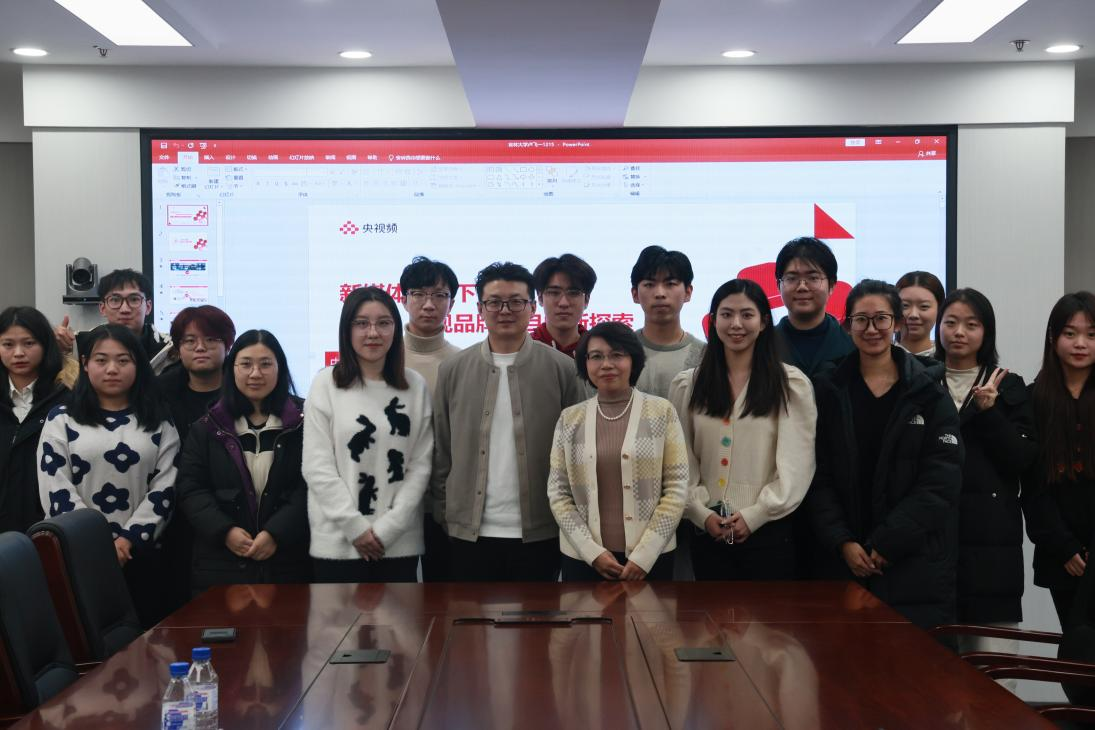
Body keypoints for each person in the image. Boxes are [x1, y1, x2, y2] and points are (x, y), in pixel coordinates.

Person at [805, 280, 962, 630]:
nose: (872, 329)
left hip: (913, 561)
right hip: (841, 559)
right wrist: (843, 541)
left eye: (881, 319)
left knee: (910, 662)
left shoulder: (929, 391)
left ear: (898, 324)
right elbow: (816, 472)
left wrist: (888, 543)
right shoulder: (827, 388)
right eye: (861, 319)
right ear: (847, 326)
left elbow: (941, 479)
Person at [432, 262, 583, 582]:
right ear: (479, 308)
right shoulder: (453, 369)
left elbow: (577, 452)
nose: (504, 310)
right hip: (467, 532)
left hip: (541, 529)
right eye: (494, 302)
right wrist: (445, 511)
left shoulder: (562, 369)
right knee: (467, 614)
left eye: (516, 301)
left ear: (532, 307)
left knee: (538, 614)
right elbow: (442, 451)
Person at [669, 279, 817, 580]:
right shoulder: (688, 385)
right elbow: (680, 460)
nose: (736, 324)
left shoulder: (790, 384)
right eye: (726, 314)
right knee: (709, 611)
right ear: (714, 321)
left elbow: (797, 465)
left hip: (768, 531)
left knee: (766, 611)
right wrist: (700, 513)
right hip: (707, 531)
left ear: (763, 322)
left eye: (747, 315)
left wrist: (756, 515)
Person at [37, 324, 179, 626]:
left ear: (138, 366)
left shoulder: (159, 421)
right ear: (85, 364)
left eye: (123, 360)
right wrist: (97, 543)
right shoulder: (61, 419)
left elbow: (165, 487)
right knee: (87, 645)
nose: (112, 369)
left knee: (148, 643)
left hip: (142, 556)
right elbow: (55, 487)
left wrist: (127, 541)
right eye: (101, 360)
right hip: (79, 556)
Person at [934, 288, 1037, 672]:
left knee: (994, 666)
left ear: (986, 332)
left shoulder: (1008, 385)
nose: (959, 332)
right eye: (951, 322)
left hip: (992, 544)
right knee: (934, 670)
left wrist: (990, 412)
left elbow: (1022, 459)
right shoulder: (921, 380)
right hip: (934, 539)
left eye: (971, 324)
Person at [304, 287, 433, 583]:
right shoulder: (325, 384)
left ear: (395, 329)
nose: (373, 333)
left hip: (398, 543)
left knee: (400, 615)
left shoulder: (415, 386)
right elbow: (316, 466)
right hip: (338, 543)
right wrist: (355, 528)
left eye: (384, 323)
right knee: (335, 616)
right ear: (346, 330)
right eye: (361, 323)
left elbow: (420, 465)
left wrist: (388, 529)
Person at [548, 322, 687, 581]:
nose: (606, 364)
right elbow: (558, 493)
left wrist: (645, 555)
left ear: (633, 360)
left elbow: (677, 488)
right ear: (584, 363)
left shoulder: (662, 412)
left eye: (617, 355)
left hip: (652, 560)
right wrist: (591, 552)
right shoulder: (570, 419)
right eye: (596, 356)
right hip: (583, 560)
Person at [177, 330, 310, 592]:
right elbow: (190, 488)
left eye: (266, 364)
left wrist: (276, 533)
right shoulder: (207, 426)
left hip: (289, 559)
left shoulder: (304, 422)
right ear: (232, 369)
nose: (255, 373)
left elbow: (311, 485)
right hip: (221, 563)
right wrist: (225, 531)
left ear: (280, 368)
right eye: (246, 364)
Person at [1023, 291, 1095, 630]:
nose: (1080, 343)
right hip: (1061, 554)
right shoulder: (1034, 399)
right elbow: (1033, 487)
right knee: (1077, 649)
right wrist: (1064, 547)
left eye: (1091, 335)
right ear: (1053, 338)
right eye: (1070, 333)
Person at [398, 256, 461, 582]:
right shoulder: (382, 357)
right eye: (419, 294)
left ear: (452, 302)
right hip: (392, 499)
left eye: (439, 295)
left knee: (444, 592)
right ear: (403, 298)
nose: (428, 304)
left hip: (443, 501)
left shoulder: (462, 362)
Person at [0, 307, 77, 533]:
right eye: (8, 344)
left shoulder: (67, 397)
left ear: (46, 345)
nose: (18, 353)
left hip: (50, 525)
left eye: (29, 343)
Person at [54, 268, 175, 374]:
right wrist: (55, 347)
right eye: (115, 300)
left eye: (134, 299)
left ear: (148, 307)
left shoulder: (171, 347)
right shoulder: (79, 344)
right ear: (102, 308)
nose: (125, 309)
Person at [629, 245, 705, 398]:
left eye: (670, 284)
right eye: (649, 284)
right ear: (635, 294)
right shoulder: (618, 351)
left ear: (688, 292)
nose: (660, 293)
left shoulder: (706, 356)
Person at [773, 237, 855, 377]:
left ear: (832, 285)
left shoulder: (853, 345)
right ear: (778, 285)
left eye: (813, 278)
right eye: (791, 278)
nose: (802, 287)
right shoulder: (763, 346)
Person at [532, 254, 597, 357]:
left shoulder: (598, 350)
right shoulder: (524, 349)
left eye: (573, 293)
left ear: (586, 300)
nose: (564, 303)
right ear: (540, 298)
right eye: (554, 293)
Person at [897, 271, 945, 357]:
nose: (913, 315)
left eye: (924, 306)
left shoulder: (950, 360)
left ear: (939, 310)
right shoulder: (880, 359)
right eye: (905, 306)